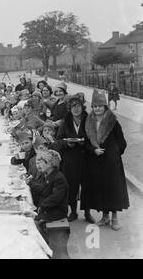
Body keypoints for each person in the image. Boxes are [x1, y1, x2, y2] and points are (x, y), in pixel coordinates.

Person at [84, 89, 129, 231]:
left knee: (113, 189)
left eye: (100, 106)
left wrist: (114, 153)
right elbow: (86, 142)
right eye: (95, 106)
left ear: (105, 107)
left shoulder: (112, 121)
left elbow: (122, 142)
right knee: (101, 188)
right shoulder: (89, 121)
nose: (97, 108)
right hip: (96, 161)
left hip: (111, 162)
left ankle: (114, 218)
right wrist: (93, 150)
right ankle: (104, 217)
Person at [55, 94, 95, 223]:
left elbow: (95, 138)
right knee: (71, 186)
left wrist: (86, 142)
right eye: (72, 106)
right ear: (69, 108)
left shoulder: (89, 120)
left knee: (87, 185)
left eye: (78, 106)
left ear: (82, 107)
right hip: (70, 159)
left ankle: (87, 212)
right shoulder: (65, 121)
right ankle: (73, 212)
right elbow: (58, 141)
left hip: (86, 158)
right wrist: (67, 143)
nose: (75, 109)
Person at [32, 149, 69, 242]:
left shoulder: (58, 178)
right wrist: (30, 183)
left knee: (34, 224)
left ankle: (47, 246)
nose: (38, 165)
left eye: (40, 163)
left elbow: (55, 198)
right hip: (48, 207)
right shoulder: (48, 174)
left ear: (49, 164)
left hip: (57, 210)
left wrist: (42, 206)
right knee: (30, 217)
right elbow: (41, 188)